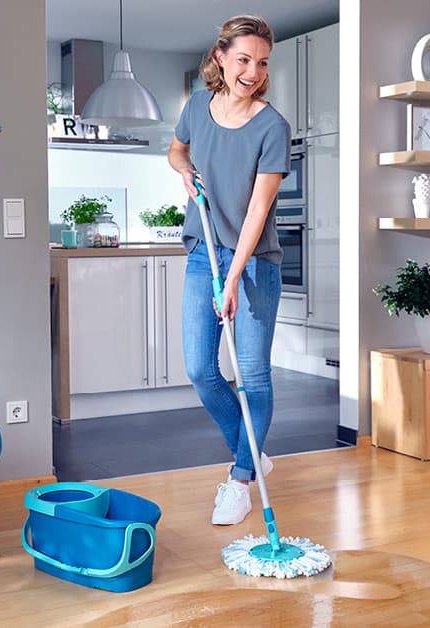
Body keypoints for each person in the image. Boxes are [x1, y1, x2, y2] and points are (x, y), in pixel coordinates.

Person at [167, 15, 290, 526]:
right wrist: (186, 171)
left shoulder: (272, 126)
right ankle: (251, 450)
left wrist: (235, 277)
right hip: (203, 253)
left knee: (254, 377)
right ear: (220, 57)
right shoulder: (197, 107)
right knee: (200, 369)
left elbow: (258, 211)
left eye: (261, 63)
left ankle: (241, 478)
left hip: (254, 263)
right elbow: (176, 150)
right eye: (243, 59)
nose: (252, 71)